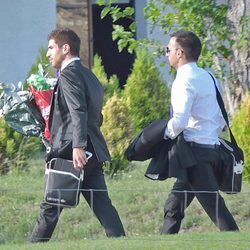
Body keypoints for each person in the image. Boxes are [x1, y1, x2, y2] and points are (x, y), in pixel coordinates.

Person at [30, 28, 125, 242]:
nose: (47, 54)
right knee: (103, 205)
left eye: (51, 48)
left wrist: (78, 146)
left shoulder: (69, 74)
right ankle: (121, 242)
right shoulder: (89, 76)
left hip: (72, 152)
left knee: (50, 207)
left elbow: (78, 110)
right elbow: (96, 117)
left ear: (66, 48)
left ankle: (33, 246)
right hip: (92, 150)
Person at [161, 30, 239, 234]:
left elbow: (179, 121)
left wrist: (162, 134)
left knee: (216, 210)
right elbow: (222, 118)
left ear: (179, 53)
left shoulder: (183, 80)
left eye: (168, 49)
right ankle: (162, 243)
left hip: (195, 155)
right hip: (208, 151)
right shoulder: (209, 76)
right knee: (173, 207)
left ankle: (238, 242)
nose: (166, 53)